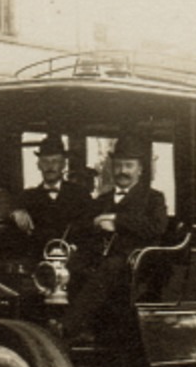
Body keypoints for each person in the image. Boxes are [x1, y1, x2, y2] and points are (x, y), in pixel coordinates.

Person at [60, 134, 169, 346]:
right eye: (118, 165)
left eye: (129, 165)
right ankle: (83, 328)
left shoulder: (153, 198)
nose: (123, 171)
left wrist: (117, 220)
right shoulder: (102, 200)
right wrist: (95, 223)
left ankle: (69, 326)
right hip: (100, 259)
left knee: (111, 266)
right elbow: (79, 227)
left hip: (137, 264)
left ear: (140, 169)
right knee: (73, 263)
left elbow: (157, 227)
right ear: (111, 168)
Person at [11, 134, 93, 252]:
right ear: (38, 165)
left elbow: (88, 231)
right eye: (45, 161)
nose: (50, 166)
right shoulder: (27, 197)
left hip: (72, 257)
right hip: (38, 259)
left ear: (63, 165)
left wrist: (72, 248)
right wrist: (15, 212)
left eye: (55, 161)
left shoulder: (81, 194)